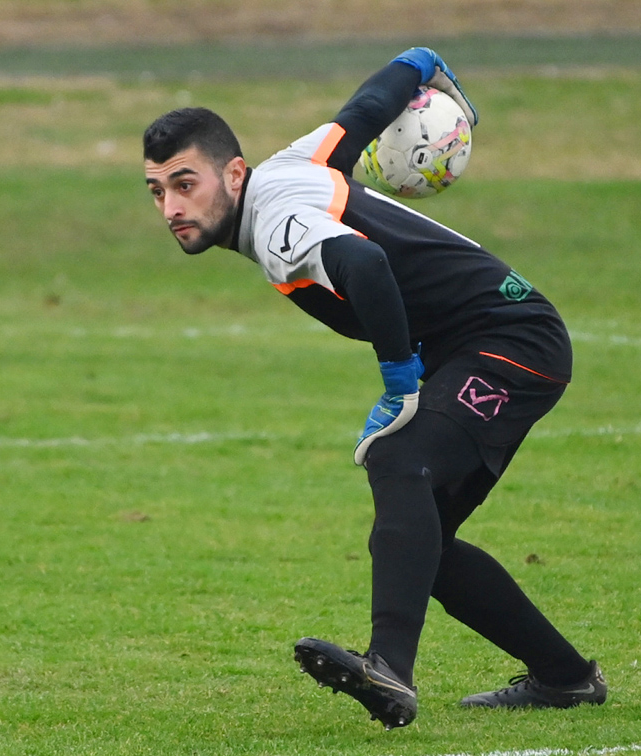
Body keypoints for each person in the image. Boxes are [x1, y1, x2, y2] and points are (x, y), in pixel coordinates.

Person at [142, 47, 606, 730]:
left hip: (512, 340)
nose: (171, 207)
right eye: (158, 192)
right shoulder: (292, 165)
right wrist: (415, 65)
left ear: (233, 174)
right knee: (420, 545)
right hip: (479, 339)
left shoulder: (274, 224)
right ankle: (566, 679)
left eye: (186, 184)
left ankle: (388, 667)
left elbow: (364, 262)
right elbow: (358, 117)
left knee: (398, 460)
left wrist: (399, 380)